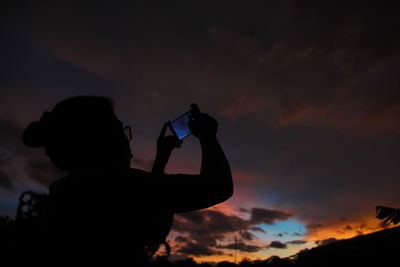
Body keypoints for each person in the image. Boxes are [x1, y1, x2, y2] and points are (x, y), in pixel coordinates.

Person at [21, 96, 233, 264]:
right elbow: (218, 186)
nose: (125, 137)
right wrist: (207, 137)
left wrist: (161, 159)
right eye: (119, 128)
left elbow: (151, 209)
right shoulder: (120, 185)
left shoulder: (68, 191)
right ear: (101, 137)